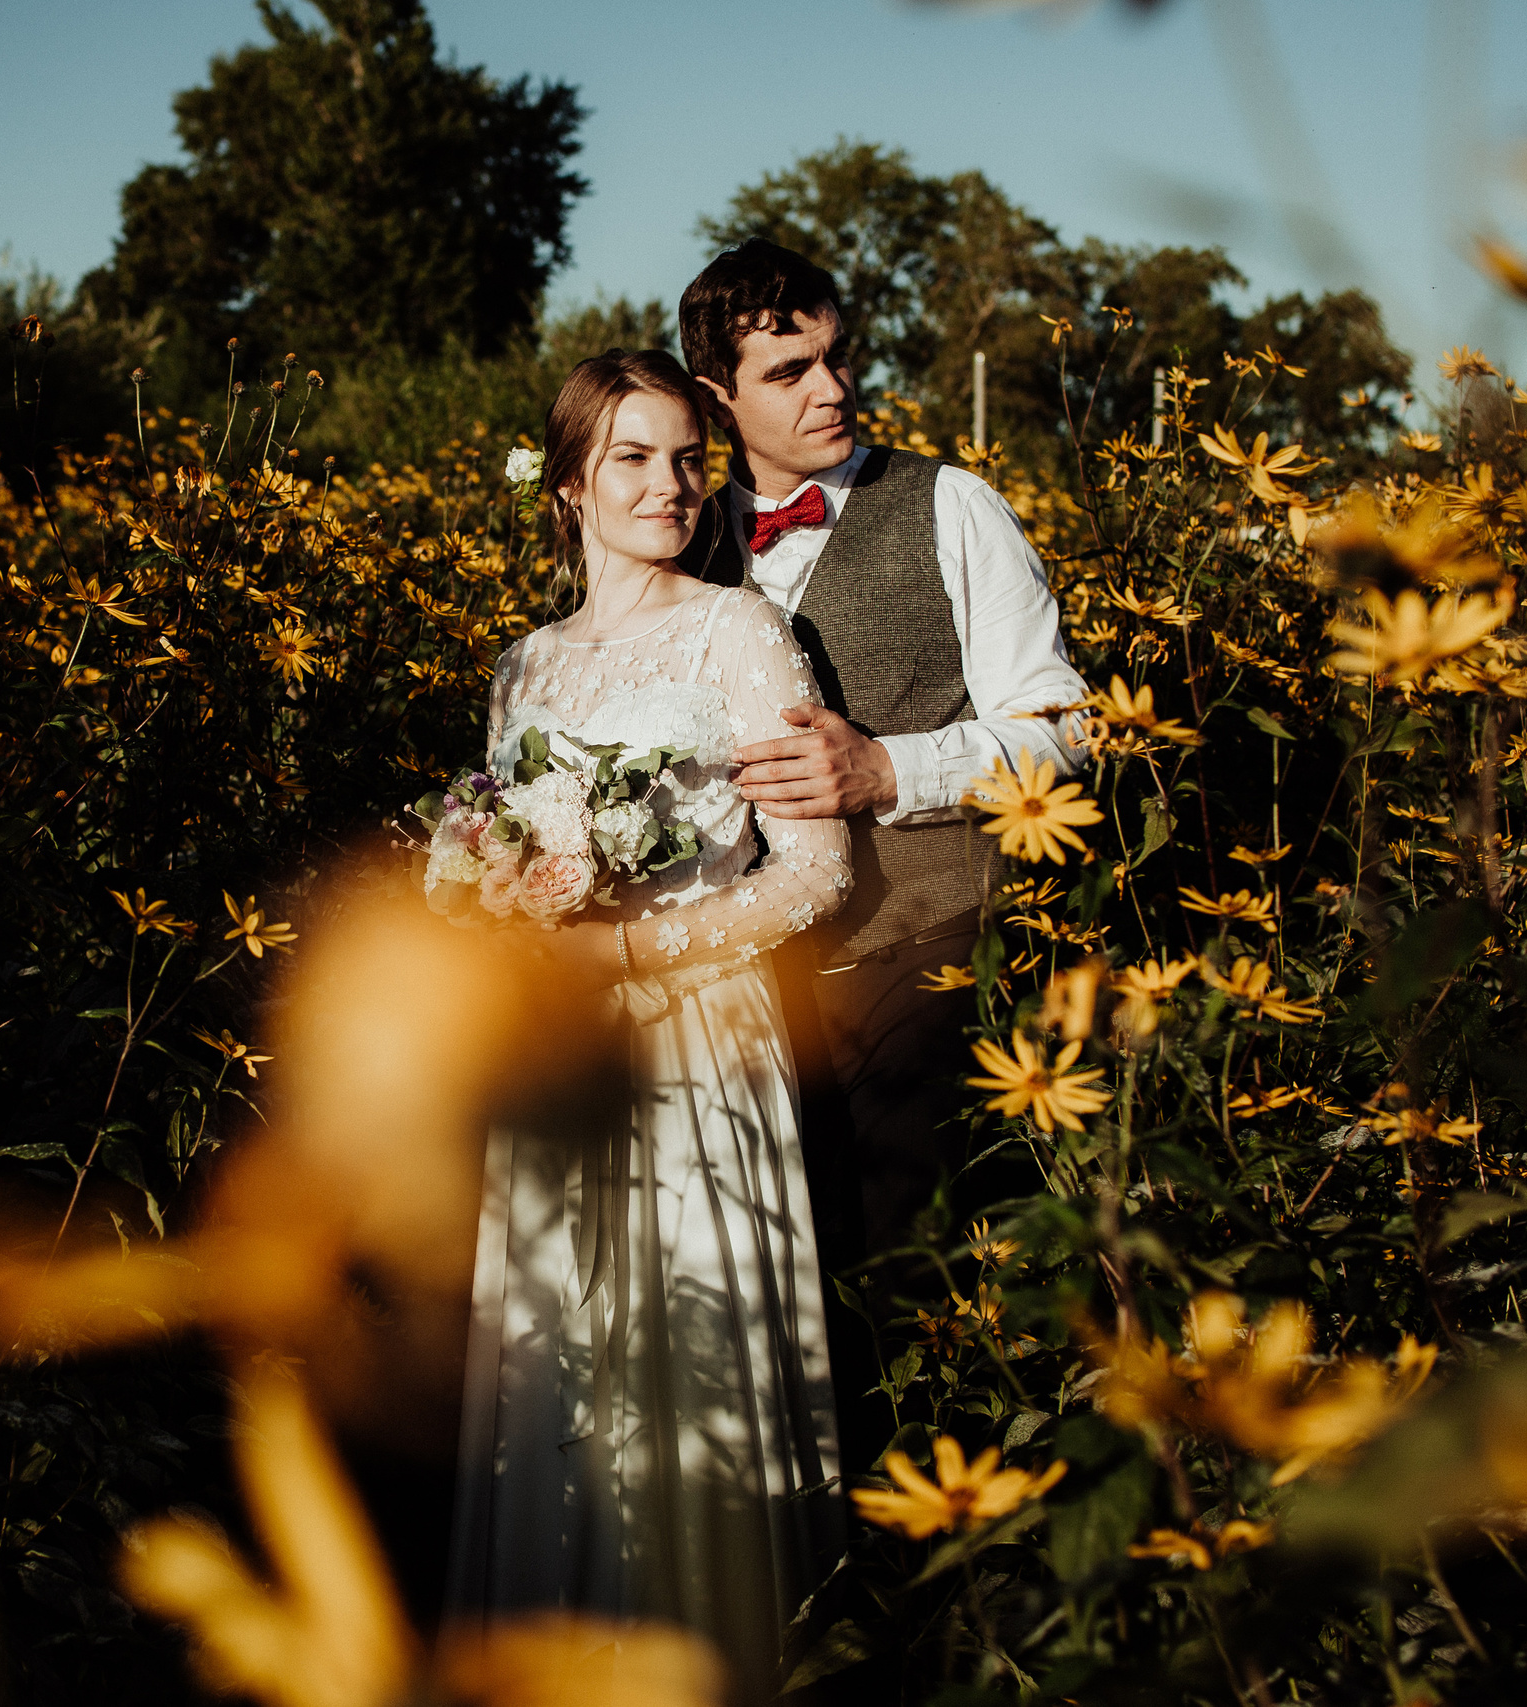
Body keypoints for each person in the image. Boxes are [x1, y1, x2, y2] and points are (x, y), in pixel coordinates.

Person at [443, 350, 851, 1702]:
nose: (668, 485)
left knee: (692, 1346)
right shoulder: (521, 666)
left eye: (686, 458)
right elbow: (498, 851)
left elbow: (814, 871)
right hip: (559, 1045)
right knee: (561, 1352)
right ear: (570, 483)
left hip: (696, 1034)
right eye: (632, 456)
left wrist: (628, 948)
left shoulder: (740, 630)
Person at [676, 239, 1090, 1481]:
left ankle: (956, 1540)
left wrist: (891, 771)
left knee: (918, 1286)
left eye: (838, 355)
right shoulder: (681, 541)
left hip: (930, 955)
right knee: (776, 1297)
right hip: (740, 991)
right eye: (789, 370)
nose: (834, 387)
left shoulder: (951, 506)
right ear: (715, 398)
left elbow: (1067, 732)